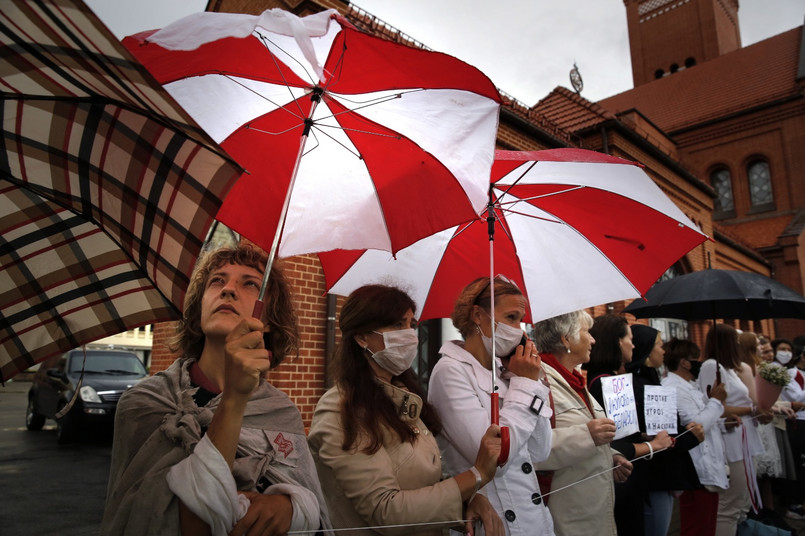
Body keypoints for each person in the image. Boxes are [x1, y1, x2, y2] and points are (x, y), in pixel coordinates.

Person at [102, 244, 330, 536]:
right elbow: (176, 521)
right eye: (217, 281)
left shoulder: (282, 412)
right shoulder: (144, 401)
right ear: (198, 311)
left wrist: (293, 507)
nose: (229, 289)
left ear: (269, 320)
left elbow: (314, 507)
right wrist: (233, 399)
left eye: (250, 284)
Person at [307, 284, 503, 536]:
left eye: (411, 324)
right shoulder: (340, 410)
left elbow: (421, 481)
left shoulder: (403, 398)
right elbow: (385, 511)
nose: (410, 335)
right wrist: (475, 476)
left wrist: (466, 501)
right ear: (362, 337)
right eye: (398, 325)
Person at [428, 276, 555, 536]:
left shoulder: (505, 371)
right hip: (494, 522)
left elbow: (540, 450)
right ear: (478, 314)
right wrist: (525, 386)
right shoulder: (450, 372)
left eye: (521, 319)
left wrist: (531, 381)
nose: (519, 330)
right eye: (511, 317)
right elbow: (495, 460)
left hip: (534, 521)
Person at [531, 310, 633, 536]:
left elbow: (585, 431)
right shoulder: (536, 381)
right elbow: (530, 448)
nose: (593, 340)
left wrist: (611, 455)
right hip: (565, 518)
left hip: (593, 513)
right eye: (587, 332)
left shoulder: (574, 380)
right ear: (566, 339)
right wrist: (588, 436)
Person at [586, 317, 674, 536]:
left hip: (631, 485)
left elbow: (625, 433)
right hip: (622, 488)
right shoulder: (604, 384)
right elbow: (617, 445)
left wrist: (642, 437)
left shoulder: (611, 380)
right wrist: (654, 445)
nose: (633, 345)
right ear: (617, 342)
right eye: (629, 338)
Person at [699, 323, 765, 536]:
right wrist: (751, 409)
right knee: (730, 504)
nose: (739, 347)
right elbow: (715, 406)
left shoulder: (730, 369)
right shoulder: (711, 366)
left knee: (742, 502)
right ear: (725, 344)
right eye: (735, 343)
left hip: (743, 437)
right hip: (730, 439)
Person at [662, 338, 729, 536]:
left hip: (708, 469)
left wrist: (724, 419)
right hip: (695, 470)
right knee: (696, 528)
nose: (699, 363)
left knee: (707, 527)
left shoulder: (689, 385)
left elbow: (706, 419)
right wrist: (716, 401)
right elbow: (696, 425)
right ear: (684, 362)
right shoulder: (672, 387)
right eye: (695, 358)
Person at [777, 337, 805, 520]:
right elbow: (798, 400)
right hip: (797, 422)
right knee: (799, 463)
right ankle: (795, 503)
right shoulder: (791, 373)